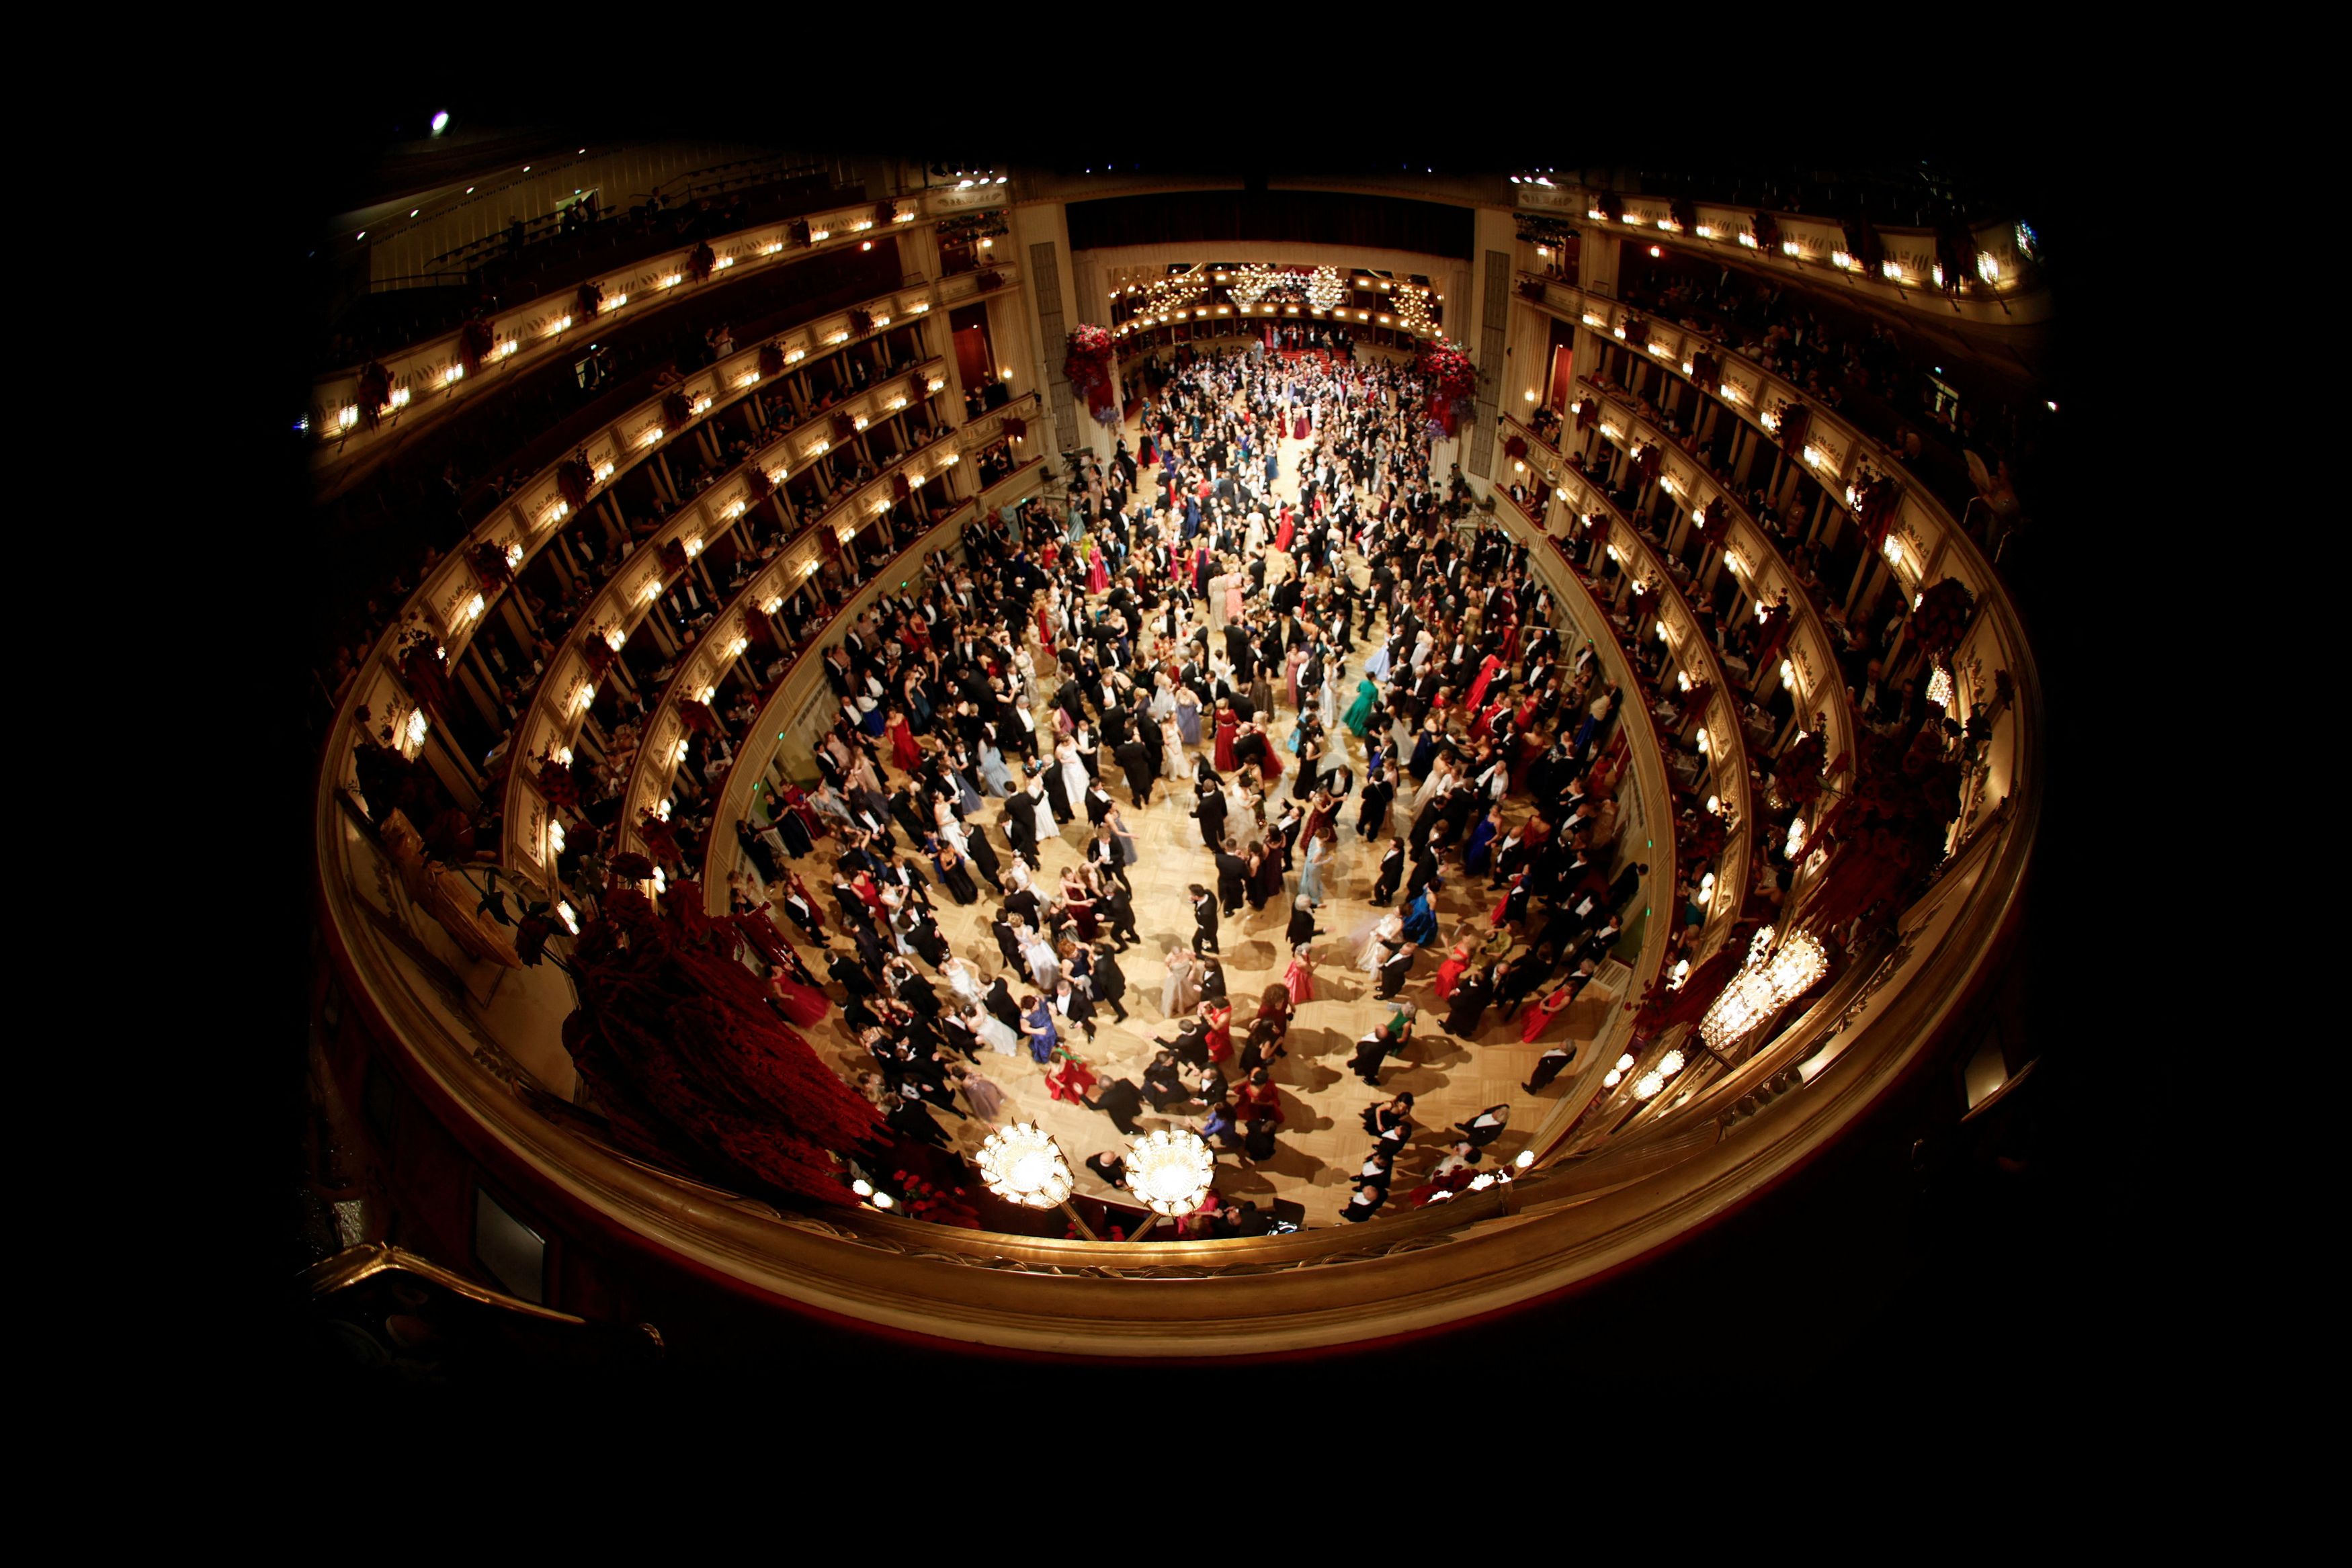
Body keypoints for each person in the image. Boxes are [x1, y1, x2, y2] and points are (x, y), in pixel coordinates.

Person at [1190, 883, 1220, 956]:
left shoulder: (1205, 912)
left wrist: (1206, 938)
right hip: (1213, 922)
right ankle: (1215, 949)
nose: (1190, 896)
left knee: (1195, 941)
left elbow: (1206, 926)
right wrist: (1194, 901)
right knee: (1213, 936)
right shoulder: (1208, 893)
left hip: (1206, 927)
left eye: (1192, 895)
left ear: (1196, 897)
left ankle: (1198, 955)